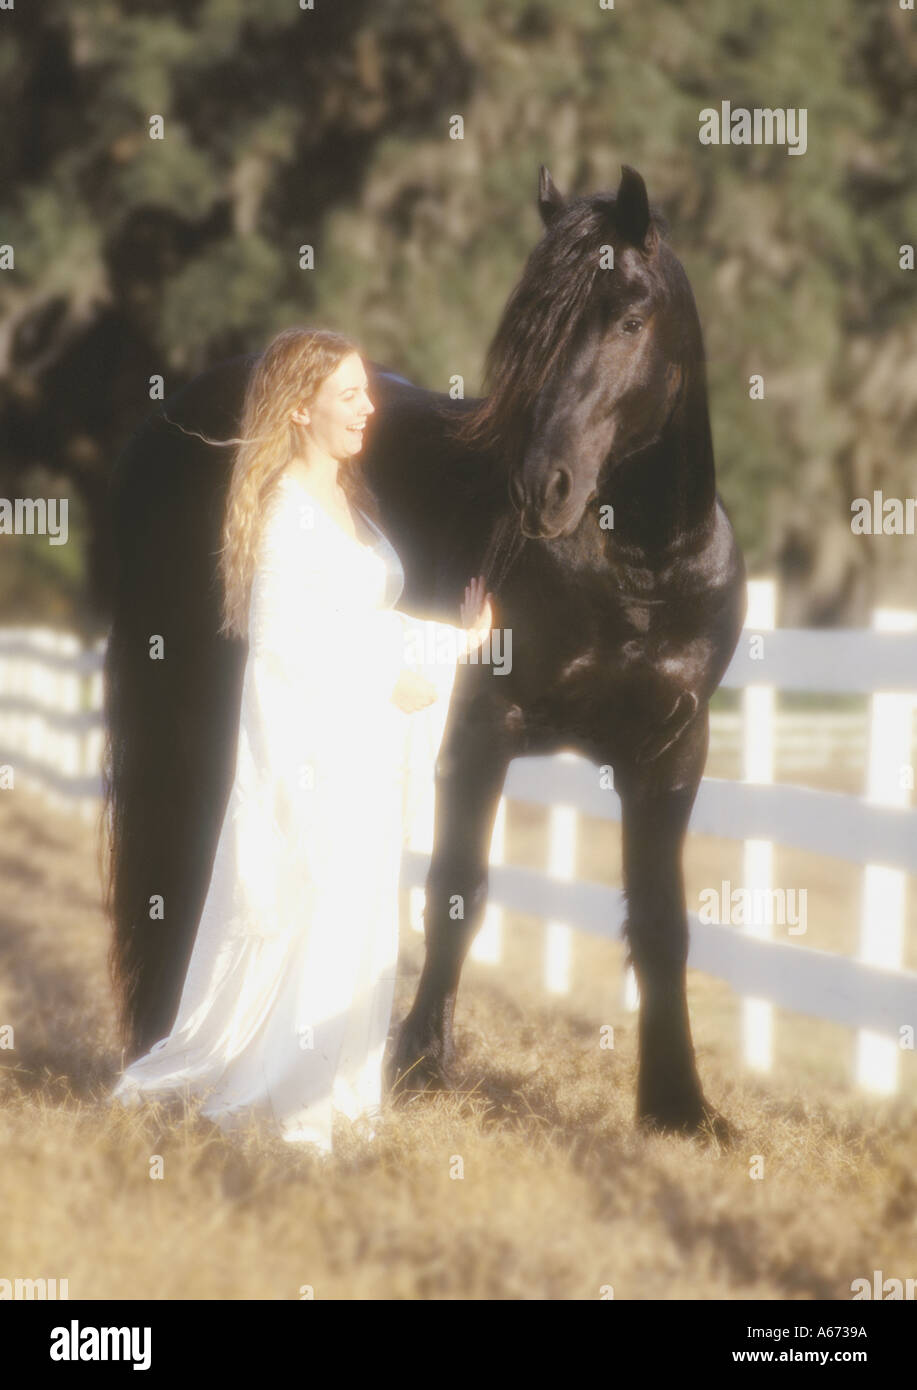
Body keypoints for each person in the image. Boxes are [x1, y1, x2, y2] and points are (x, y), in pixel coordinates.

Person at [110, 327, 493, 1155]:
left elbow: (360, 617)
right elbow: (287, 648)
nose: (369, 407)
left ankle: (342, 1099)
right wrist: (387, 681)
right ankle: (283, 1103)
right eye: (349, 394)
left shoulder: (350, 506)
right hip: (312, 761)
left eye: (365, 391)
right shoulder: (284, 511)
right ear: (297, 410)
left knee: (357, 923)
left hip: (355, 755)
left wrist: (452, 642)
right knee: (315, 917)